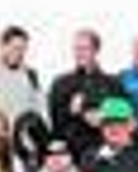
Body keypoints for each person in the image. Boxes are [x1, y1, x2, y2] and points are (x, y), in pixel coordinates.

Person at [47, 28, 120, 161]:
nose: (80, 53)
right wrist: (72, 111)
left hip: (105, 154)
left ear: (96, 50)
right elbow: (55, 123)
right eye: (76, 49)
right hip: (71, 156)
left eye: (85, 48)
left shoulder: (112, 83)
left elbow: (125, 114)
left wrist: (104, 116)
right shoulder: (61, 83)